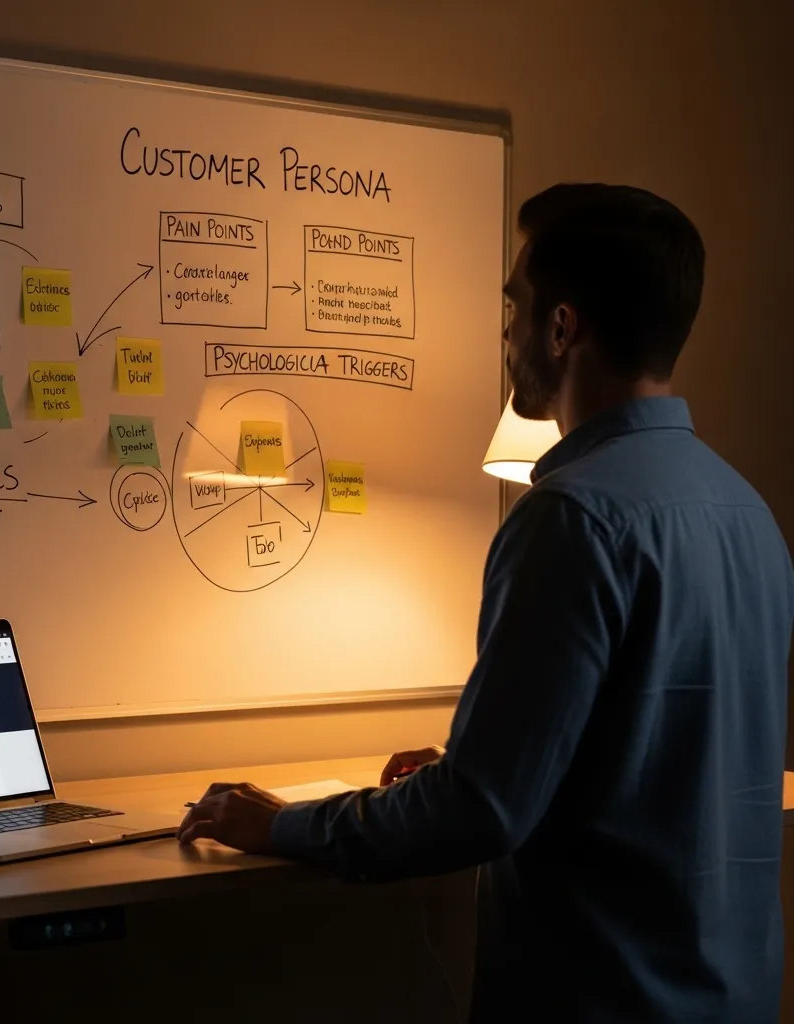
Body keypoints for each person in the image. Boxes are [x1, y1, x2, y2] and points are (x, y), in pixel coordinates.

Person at [177, 183, 794, 1022]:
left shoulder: (572, 517)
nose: (506, 331)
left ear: (562, 326)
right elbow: (661, 762)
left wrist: (284, 826)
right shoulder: (745, 512)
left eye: (515, 304)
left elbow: (482, 813)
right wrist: (490, 766)